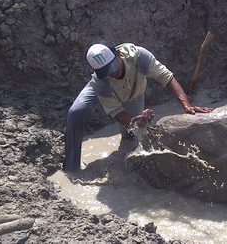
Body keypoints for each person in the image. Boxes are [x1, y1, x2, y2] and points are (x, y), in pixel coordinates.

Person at [63, 42, 213, 171]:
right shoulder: (100, 81)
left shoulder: (139, 56)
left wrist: (186, 106)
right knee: (75, 112)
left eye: (114, 67)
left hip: (133, 94)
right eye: (107, 71)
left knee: (131, 135)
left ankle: (127, 163)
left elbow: (166, 78)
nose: (113, 73)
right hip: (106, 90)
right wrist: (133, 121)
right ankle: (71, 167)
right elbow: (115, 111)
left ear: (118, 53)